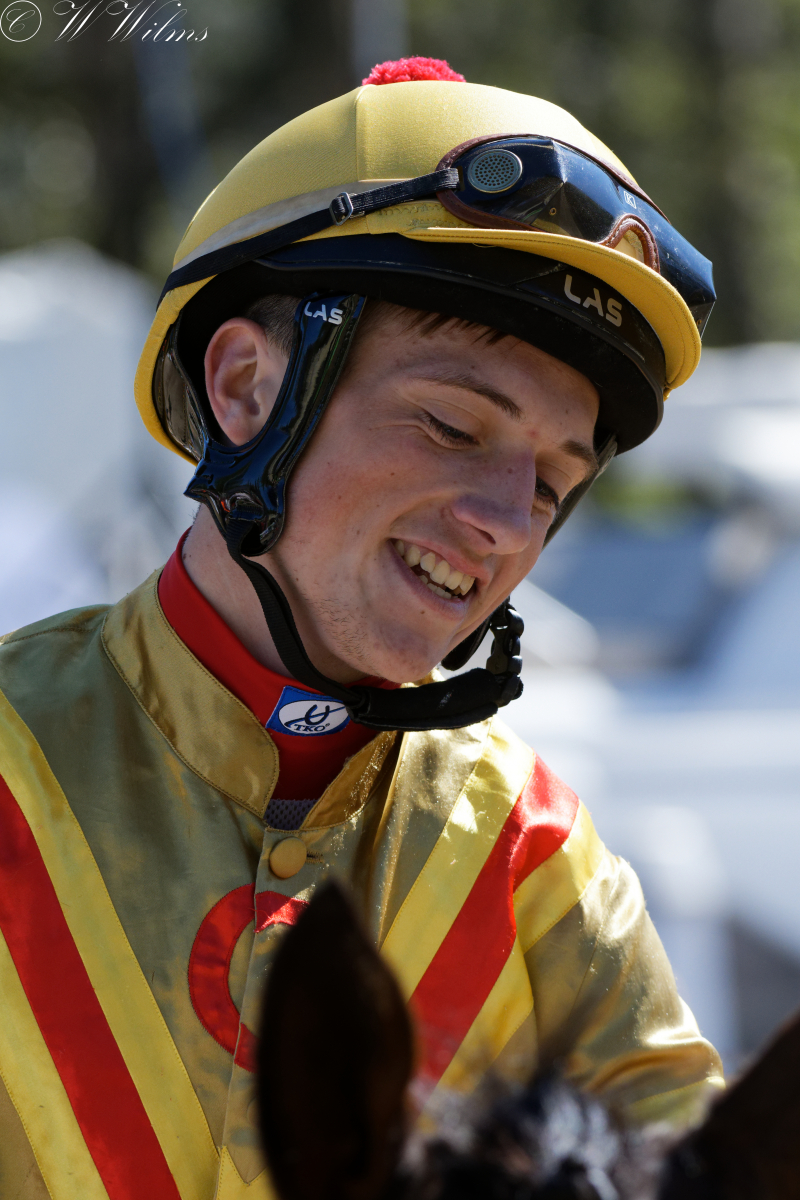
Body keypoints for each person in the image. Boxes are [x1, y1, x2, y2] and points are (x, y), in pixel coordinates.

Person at [0, 57, 722, 1200]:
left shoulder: (533, 855)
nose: (504, 523)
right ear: (246, 389)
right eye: (450, 426)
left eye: (549, 484)